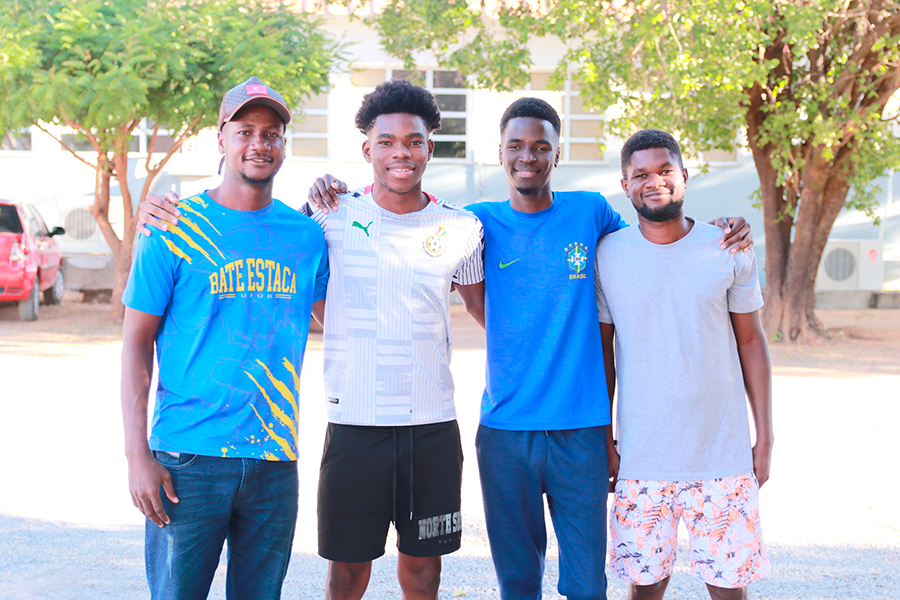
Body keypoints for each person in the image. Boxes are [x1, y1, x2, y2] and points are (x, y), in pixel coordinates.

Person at [306, 97, 753, 600]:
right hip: (503, 432)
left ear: (557, 155)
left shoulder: (589, 212)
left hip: (581, 431)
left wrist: (717, 229)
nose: (528, 156)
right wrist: (333, 190)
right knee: (517, 583)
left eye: (542, 146)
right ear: (500, 153)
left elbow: (651, 244)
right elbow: (432, 265)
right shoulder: (475, 223)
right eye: (516, 145)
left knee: (587, 584)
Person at [136, 79, 485, 600]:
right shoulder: (326, 216)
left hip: (409, 431)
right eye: (386, 141)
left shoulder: (458, 227)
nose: (401, 153)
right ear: (367, 150)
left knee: (422, 570)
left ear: (430, 147)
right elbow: (140, 344)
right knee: (342, 573)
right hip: (320, 434)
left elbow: (490, 317)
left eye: (414, 141)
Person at [121, 76, 329, 600]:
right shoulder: (173, 226)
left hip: (274, 460)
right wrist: (136, 456)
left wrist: (347, 204)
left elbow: (339, 319)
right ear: (221, 139)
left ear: (284, 143)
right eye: (245, 131)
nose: (259, 143)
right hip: (187, 458)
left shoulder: (306, 236)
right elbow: (135, 346)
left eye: (272, 132)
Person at [595, 129, 772, 600]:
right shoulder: (608, 254)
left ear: (685, 176)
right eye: (641, 174)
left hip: (723, 456)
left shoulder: (728, 246)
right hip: (642, 458)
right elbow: (604, 356)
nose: (654, 181)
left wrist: (765, 438)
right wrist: (605, 439)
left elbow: (752, 342)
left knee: (729, 590)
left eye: (665, 170)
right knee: (645, 590)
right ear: (625, 184)